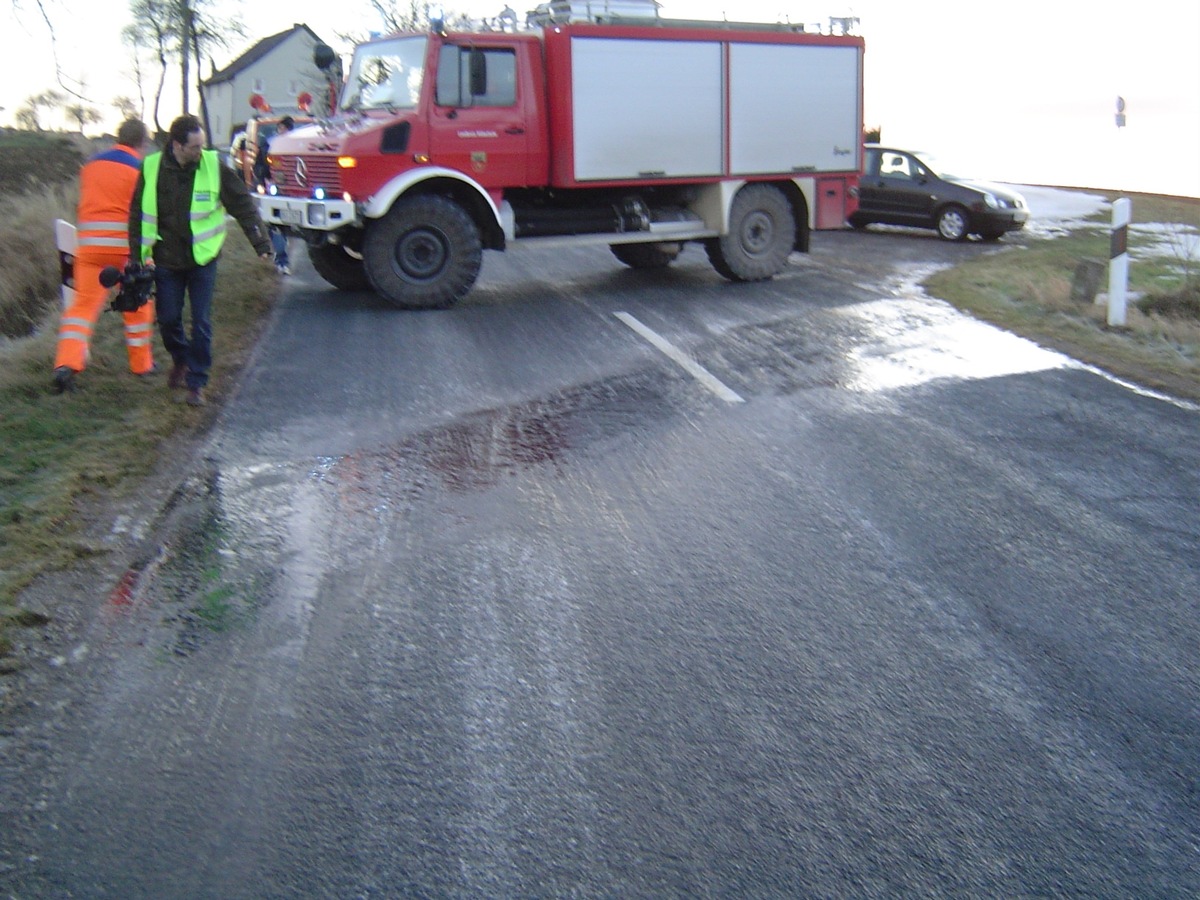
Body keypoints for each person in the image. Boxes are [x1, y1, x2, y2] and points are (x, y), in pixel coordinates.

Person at [129, 114, 273, 407]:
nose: (200, 152)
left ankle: (197, 382)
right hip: (166, 260)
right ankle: (181, 358)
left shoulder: (212, 166)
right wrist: (136, 257)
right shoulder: (151, 167)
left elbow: (242, 204)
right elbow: (136, 215)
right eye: (195, 147)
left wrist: (261, 242)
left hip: (203, 259)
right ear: (177, 145)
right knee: (168, 320)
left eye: (201, 146)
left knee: (201, 322)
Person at [53, 118, 155, 393]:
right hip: (125, 250)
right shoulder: (140, 169)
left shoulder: (91, 166)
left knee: (81, 310)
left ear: (118, 137)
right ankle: (141, 365)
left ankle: (66, 365)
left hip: (89, 249)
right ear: (142, 143)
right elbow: (147, 212)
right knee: (137, 303)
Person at [254, 115, 294, 275]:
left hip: (287, 192)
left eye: (285, 128)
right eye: (282, 128)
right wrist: (262, 180)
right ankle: (281, 258)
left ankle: (282, 257)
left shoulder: (295, 146)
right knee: (274, 225)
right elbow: (259, 166)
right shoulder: (268, 146)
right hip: (272, 189)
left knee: (280, 225)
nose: (283, 131)